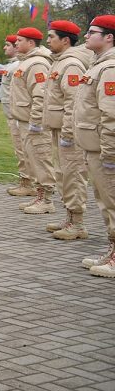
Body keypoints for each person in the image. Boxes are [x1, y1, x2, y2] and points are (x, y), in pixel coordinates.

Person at [43, 20, 94, 240]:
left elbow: (72, 102)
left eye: (52, 37)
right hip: (60, 130)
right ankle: (70, 218)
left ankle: (78, 223)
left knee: (73, 175)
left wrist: (67, 133)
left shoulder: (71, 64)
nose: (47, 40)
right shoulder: (59, 62)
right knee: (63, 174)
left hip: (69, 133)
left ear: (65, 40)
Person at [76, 15, 115, 277]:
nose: (86, 36)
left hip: (105, 149)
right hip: (94, 147)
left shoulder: (110, 67)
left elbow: (111, 115)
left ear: (109, 36)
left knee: (112, 202)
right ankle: (112, 250)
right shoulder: (98, 64)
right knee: (105, 202)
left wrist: (110, 153)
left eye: (92, 32)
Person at [10, 27, 55, 214]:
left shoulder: (37, 63)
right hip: (25, 121)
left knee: (41, 159)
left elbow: (40, 95)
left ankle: (47, 200)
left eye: (20, 40)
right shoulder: (26, 62)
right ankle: (39, 196)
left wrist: (36, 122)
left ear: (31, 43)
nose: (15, 43)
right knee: (33, 161)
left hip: (33, 123)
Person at [0, 35, 34, 198]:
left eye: (8, 45)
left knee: (23, 150)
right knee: (20, 150)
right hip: (12, 114)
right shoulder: (13, 65)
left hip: (18, 115)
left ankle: (28, 183)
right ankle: (25, 180)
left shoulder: (19, 66)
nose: (5, 48)